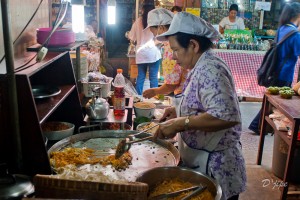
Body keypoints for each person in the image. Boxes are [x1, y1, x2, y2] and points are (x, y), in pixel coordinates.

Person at [154, 12, 246, 200]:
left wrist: (181, 123)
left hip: (217, 167)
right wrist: (177, 111)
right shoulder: (200, 65)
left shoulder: (210, 69)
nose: (172, 56)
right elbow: (204, 105)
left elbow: (226, 116)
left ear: (193, 45)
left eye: (176, 49)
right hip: (203, 160)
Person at [248, 2, 300, 135]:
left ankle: (262, 125)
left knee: (273, 101)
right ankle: (257, 125)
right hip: (284, 74)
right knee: (279, 103)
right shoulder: (294, 34)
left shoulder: (282, 29)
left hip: (274, 71)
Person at [142, 8, 188, 101]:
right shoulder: (179, 38)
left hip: (185, 96)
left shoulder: (171, 46)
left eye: (153, 32)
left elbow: (172, 84)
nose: (154, 36)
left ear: (161, 27)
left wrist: (155, 91)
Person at [127, 4, 162, 95]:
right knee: (153, 77)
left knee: (141, 77)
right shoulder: (156, 21)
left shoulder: (138, 22)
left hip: (141, 53)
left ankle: (138, 98)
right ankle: (154, 98)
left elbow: (132, 37)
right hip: (153, 53)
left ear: (142, 10)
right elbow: (161, 38)